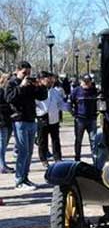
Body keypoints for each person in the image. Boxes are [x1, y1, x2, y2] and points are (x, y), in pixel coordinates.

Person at [6, 61, 48, 190]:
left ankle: (25, 177)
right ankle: (19, 180)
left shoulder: (30, 83)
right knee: (23, 151)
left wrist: (40, 86)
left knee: (29, 152)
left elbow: (42, 97)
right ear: (17, 71)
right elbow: (9, 98)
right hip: (19, 120)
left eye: (28, 73)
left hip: (31, 119)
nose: (26, 76)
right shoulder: (12, 83)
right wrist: (21, 86)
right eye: (24, 73)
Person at [35, 72, 69, 167]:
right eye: (48, 79)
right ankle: (43, 159)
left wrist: (69, 108)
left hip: (54, 117)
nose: (50, 81)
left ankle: (57, 158)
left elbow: (60, 103)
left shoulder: (56, 91)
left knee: (55, 139)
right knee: (42, 140)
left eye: (51, 79)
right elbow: (35, 104)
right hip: (42, 117)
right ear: (41, 80)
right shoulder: (37, 91)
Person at [70, 74, 98, 161]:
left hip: (92, 119)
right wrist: (73, 113)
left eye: (88, 82)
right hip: (80, 119)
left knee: (93, 140)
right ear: (81, 82)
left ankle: (95, 159)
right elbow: (69, 103)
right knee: (78, 140)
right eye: (85, 82)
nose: (87, 84)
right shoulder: (76, 91)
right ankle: (77, 158)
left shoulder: (94, 91)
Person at [0, 73, 15, 174]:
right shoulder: (1, 91)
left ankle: (3, 164)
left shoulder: (9, 91)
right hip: (2, 121)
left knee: (4, 144)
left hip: (8, 120)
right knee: (2, 144)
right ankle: (2, 165)